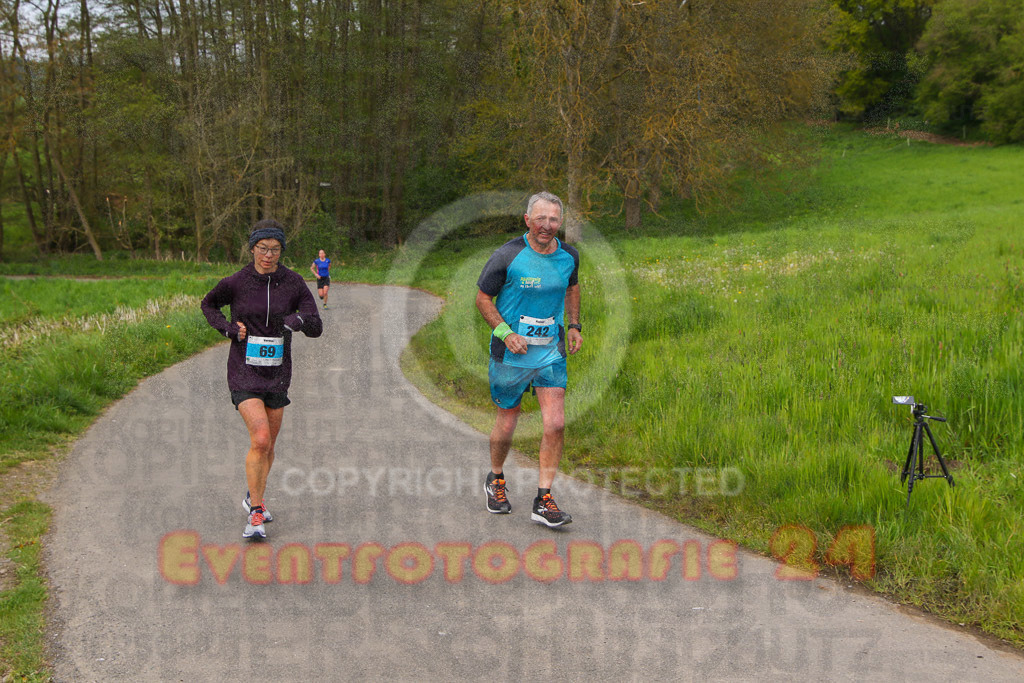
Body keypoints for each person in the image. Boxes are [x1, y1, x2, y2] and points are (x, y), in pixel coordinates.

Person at [201, 219, 323, 539]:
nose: (269, 255)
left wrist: (298, 320)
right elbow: (209, 303)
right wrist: (228, 328)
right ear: (252, 247)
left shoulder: (294, 283)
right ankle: (255, 514)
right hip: (243, 370)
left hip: (278, 375)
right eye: (263, 248)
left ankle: (253, 496)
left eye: (275, 249)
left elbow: (315, 324)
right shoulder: (237, 282)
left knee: (269, 447)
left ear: (282, 250)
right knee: (261, 439)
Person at [475, 191, 583, 528]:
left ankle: (543, 498)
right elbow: (482, 298)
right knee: (508, 421)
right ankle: (495, 478)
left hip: (550, 352)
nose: (546, 226)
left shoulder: (569, 256)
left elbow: (572, 286)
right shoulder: (508, 255)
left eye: (553, 219)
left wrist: (575, 325)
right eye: (540, 219)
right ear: (527, 220)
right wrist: (506, 333)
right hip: (511, 352)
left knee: (555, 423)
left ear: (559, 222)